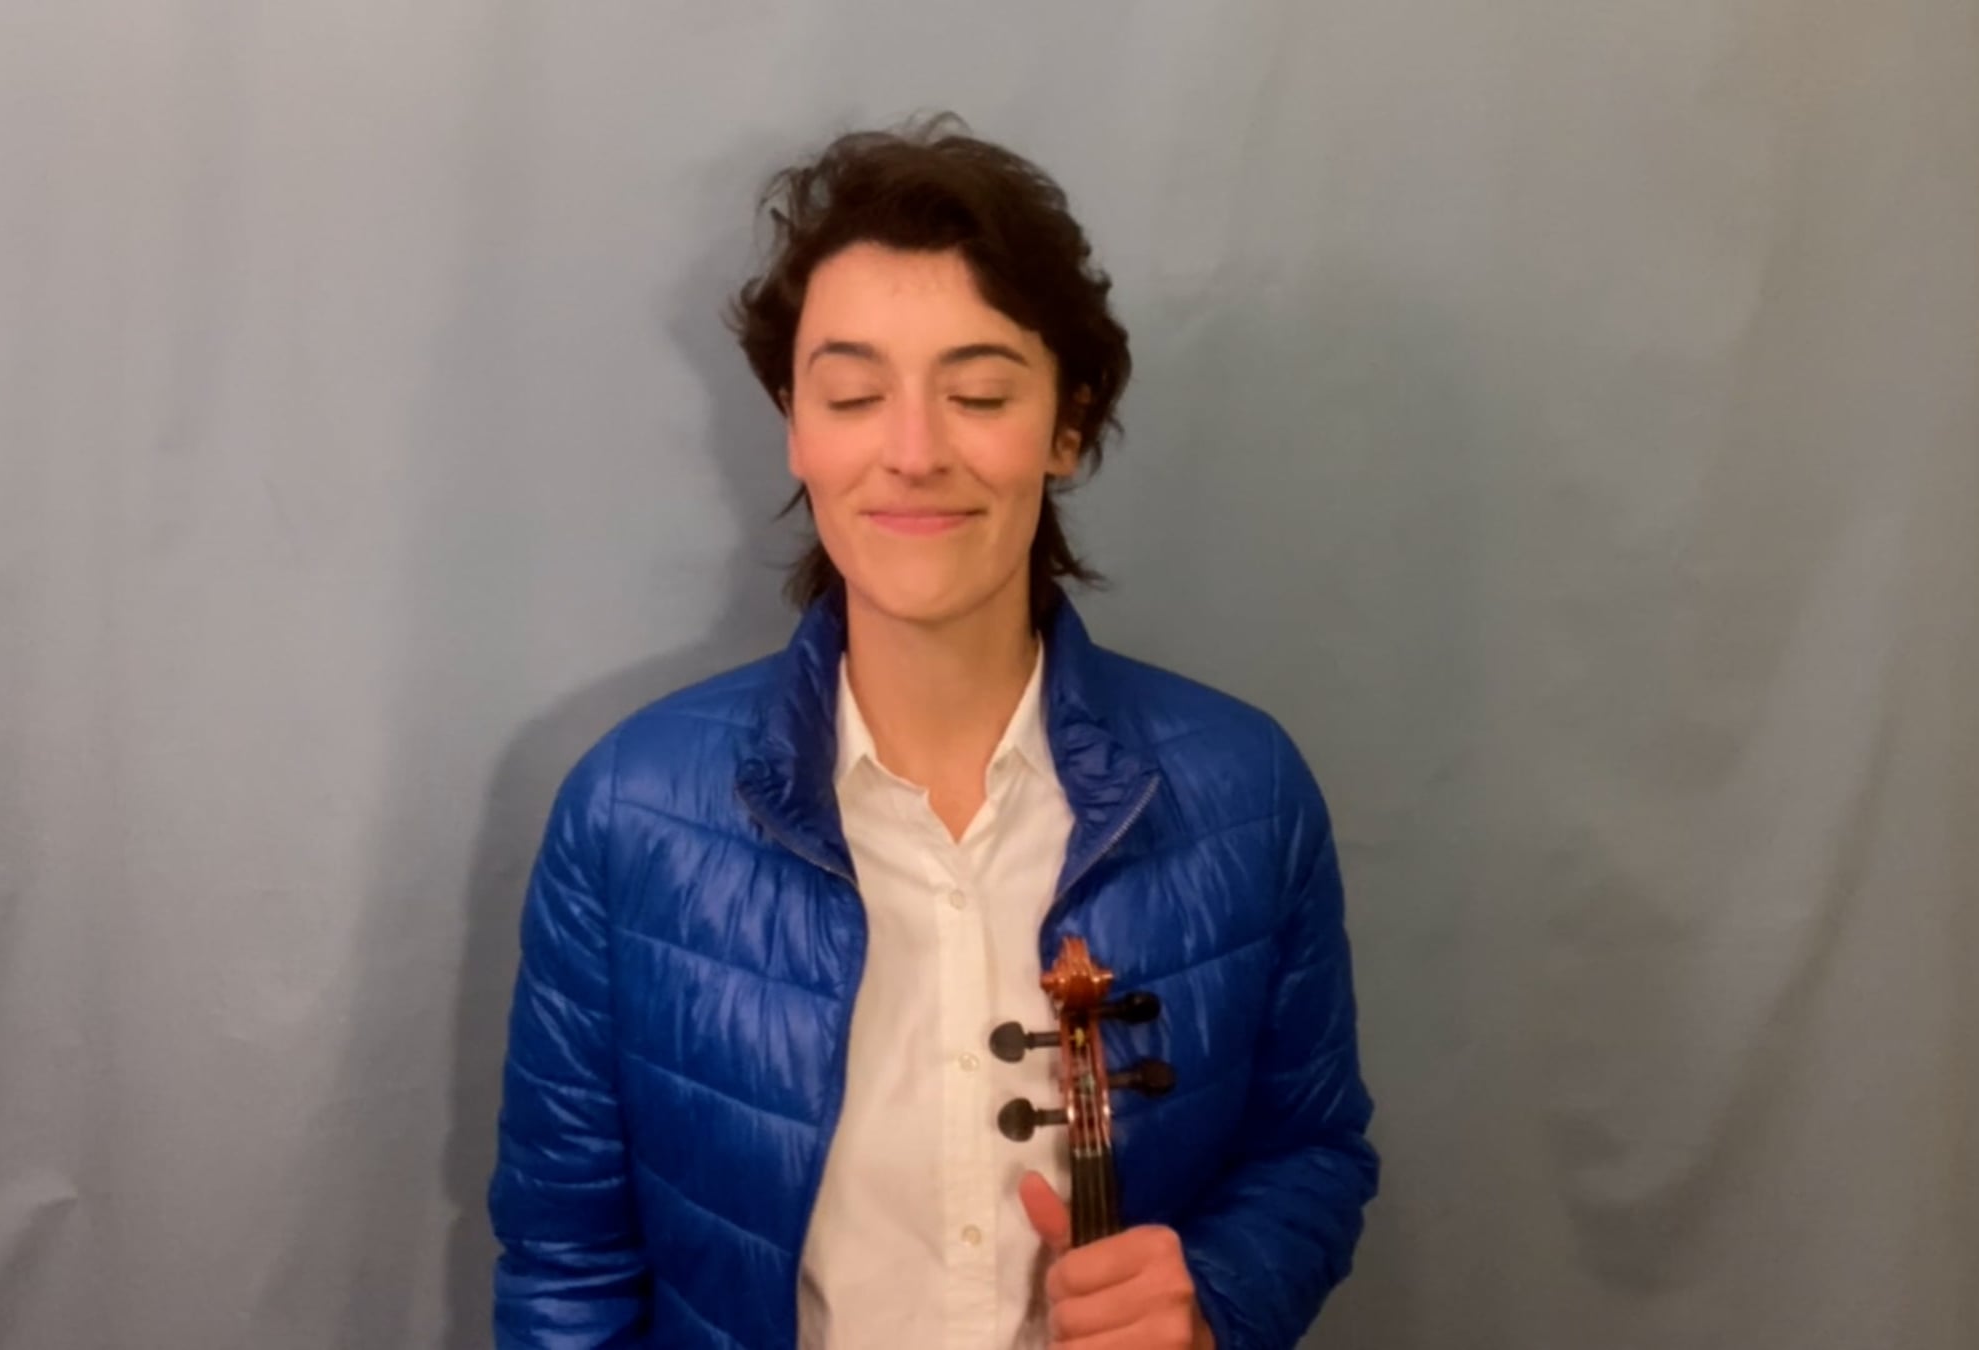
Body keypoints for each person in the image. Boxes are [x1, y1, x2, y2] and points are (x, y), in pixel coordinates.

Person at [488, 114, 1377, 1350]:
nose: (912, 453)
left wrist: (1217, 1297)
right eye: (854, 395)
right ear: (796, 427)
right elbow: (566, 1264)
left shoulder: (1249, 791)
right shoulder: (628, 813)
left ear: (1066, 427)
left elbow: (1312, 1153)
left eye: (978, 394)